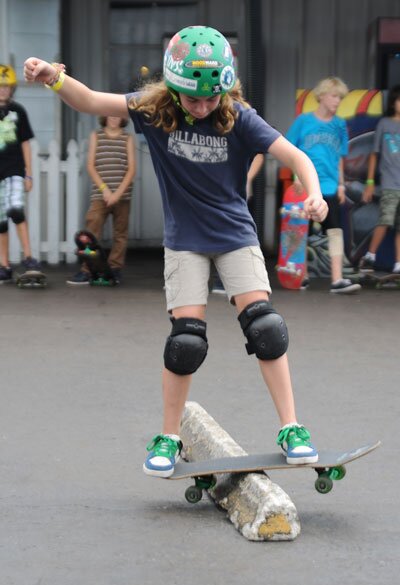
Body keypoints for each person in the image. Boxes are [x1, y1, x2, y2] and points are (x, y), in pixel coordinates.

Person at [24, 26, 328, 477]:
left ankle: (292, 428)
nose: (203, 107)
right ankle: (169, 435)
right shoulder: (154, 109)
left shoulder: (239, 116)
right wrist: (53, 78)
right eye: (192, 98)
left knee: (266, 327)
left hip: (236, 237)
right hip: (185, 240)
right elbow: (90, 101)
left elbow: (296, 157)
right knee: (186, 341)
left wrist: (314, 192)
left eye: (211, 98)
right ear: (173, 86)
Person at [286, 76, 361, 294]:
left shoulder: (339, 124)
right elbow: (291, 151)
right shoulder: (303, 121)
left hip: (329, 186)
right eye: (334, 96)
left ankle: (337, 279)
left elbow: (340, 157)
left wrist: (341, 185)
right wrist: (296, 178)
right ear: (322, 96)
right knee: (301, 231)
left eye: (340, 97)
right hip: (305, 186)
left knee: (335, 231)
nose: (337, 101)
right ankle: (301, 276)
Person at [67, 115, 136, 285]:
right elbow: (91, 166)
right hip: (100, 194)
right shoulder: (96, 135)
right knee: (91, 232)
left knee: (120, 233)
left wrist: (117, 194)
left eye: (117, 115)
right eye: (110, 114)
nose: (114, 118)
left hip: (122, 194)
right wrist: (105, 191)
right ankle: (87, 269)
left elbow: (131, 169)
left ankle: (115, 268)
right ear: (104, 116)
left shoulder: (127, 138)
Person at [0, 64, 41, 283]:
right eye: (0, 86)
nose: (3, 90)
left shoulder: (18, 110)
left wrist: (29, 173)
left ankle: (28, 257)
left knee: (16, 209)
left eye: (6, 86)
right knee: (0, 221)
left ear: (12, 88)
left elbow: (25, 144)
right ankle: (4, 265)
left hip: (14, 169)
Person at [359, 85, 400, 274]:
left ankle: (398, 263)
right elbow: (374, 154)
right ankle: (370, 256)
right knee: (385, 220)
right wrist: (369, 183)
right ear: (393, 103)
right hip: (390, 183)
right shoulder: (384, 123)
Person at [211, 152, 264, 294]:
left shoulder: (242, 130)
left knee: (235, 237)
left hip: (237, 194)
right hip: (214, 191)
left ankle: (225, 282)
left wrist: (246, 179)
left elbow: (258, 154)